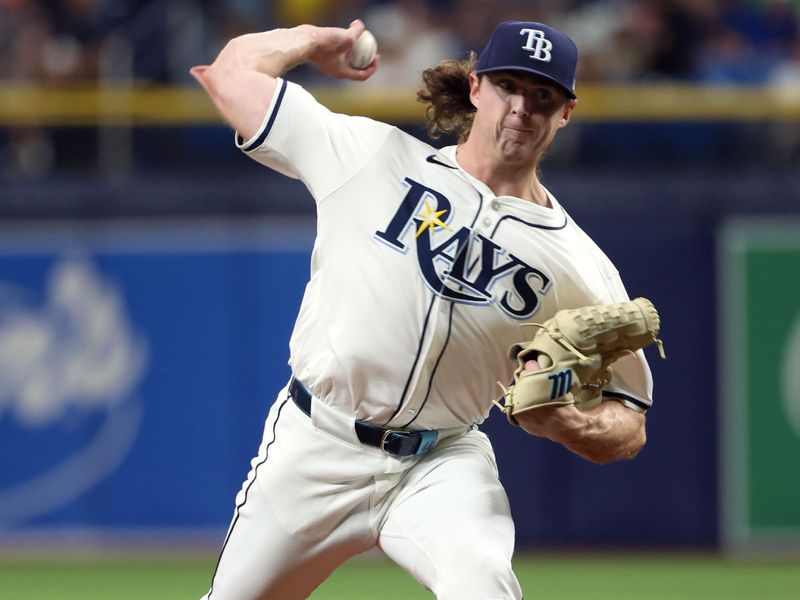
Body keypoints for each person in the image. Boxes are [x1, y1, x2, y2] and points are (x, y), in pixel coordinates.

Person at [191, 18, 653, 600]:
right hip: (317, 444)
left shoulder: (580, 266)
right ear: (477, 87)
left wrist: (575, 424)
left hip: (441, 461)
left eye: (543, 95)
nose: (521, 108)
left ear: (566, 112)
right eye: (509, 85)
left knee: (482, 584)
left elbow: (629, 418)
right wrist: (314, 40)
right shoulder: (370, 155)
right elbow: (230, 75)